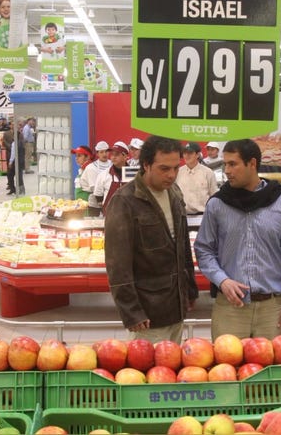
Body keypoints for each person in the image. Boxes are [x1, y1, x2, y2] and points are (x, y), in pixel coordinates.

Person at [193, 139, 281, 340]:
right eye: (225, 164)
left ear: (252, 164)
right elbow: (204, 250)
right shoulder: (217, 204)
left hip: (271, 310)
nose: (227, 170)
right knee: (227, 370)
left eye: (233, 164)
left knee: (272, 368)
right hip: (230, 308)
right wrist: (223, 280)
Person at [105, 135, 198, 344]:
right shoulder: (125, 201)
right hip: (147, 315)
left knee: (172, 370)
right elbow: (117, 264)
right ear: (146, 165)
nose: (172, 175)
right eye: (164, 169)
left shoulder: (174, 193)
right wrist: (131, 311)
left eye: (176, 168)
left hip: (176, 307)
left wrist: (190, 290)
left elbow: (182, 247)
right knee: (150, 375)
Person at [176, 142, 219, 215]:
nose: (187, 156)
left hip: (203, 216)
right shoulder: (178, 172)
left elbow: (214, 196)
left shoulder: (208, 173)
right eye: (185, 153)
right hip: (182, 216)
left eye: (190, 153)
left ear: (198, 155)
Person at [92, 141, 130, 216]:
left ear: (125, 157)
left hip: (129, 216)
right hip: (109, 217)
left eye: (117, 155)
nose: (113, 157)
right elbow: (98, 196)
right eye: (112, 154)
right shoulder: (103, 175)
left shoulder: (134, 174)